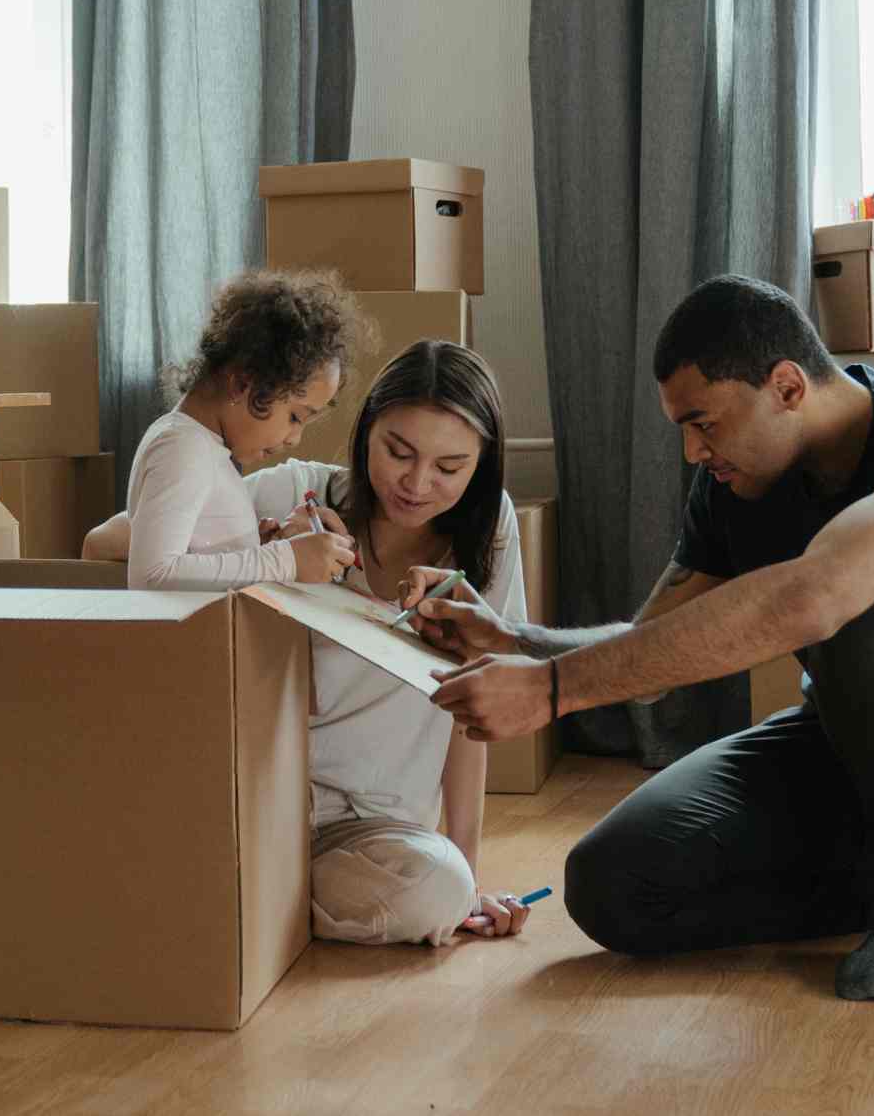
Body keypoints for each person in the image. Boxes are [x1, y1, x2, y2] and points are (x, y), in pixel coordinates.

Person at [407, 274, 874, 1000]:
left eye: (705, 423)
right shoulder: (735, 487)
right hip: (856, 752)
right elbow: (652, 650)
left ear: (786, 386)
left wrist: (552, 693)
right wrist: (517, 643)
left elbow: (824, 594)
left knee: (862, 590)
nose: (691, 452)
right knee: (612, 884)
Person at [88, 339, 538, 946]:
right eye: (397, 452)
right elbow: (106, 544)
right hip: (257, 802)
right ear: (365, 432)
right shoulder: (295, 492)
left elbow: (472, 712)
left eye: (450, 468)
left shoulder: (491, 535)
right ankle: (250, 896)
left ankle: (243, 901)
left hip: (374, 831)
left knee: (440, 889)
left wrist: (469, 876)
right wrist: (270, 552)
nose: (416, 482)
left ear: (481, 465)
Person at [121, 268, 364, 591]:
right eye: (295, 417)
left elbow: (198, 559)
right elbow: (152, 575)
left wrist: (253, 550)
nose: (295, 438)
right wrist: (284, 560)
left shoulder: (204, 448)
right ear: (242, 383)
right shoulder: (182, 448)